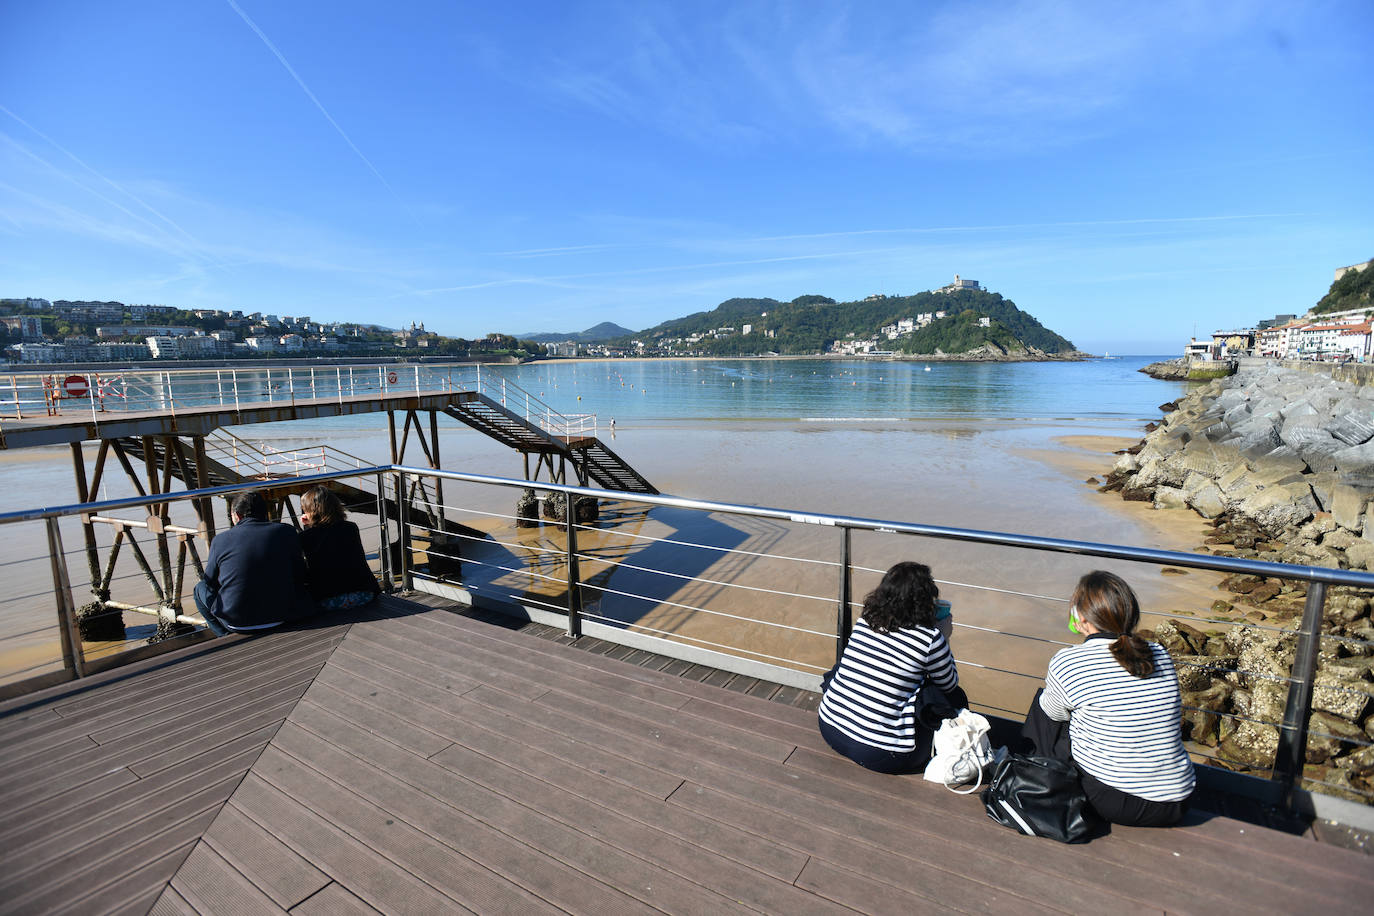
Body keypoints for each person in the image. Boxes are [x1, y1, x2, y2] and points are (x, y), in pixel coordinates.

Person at [1022, 570, 1195, 827]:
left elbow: (1053, 716)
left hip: (1118, 802)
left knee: (1045, 704)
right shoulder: (1159, 652)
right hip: (1179, 798)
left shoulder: (1069, 661)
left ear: (1080, 617)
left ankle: (1037, 776)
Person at [817, 561, 966, 774]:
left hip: (830, 728)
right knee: (948, 695)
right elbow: (949, 685)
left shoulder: (866, 621)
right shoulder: (929, 638)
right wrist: (944, 637)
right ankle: (955, 748)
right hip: (880, 753)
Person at [193, 491, 313, 635]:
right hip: (283, 615)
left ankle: (223, 635)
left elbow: (209, 582)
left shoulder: (220, 540)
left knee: (199, 588)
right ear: (265, 512)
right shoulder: (287, 531)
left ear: (237, 515)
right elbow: (300, 573)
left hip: (237, 622)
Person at [299, 485, 380, 609]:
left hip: (328, 599)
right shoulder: (351, 528)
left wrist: (309, 526)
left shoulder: (305, 537)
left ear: (310, 512)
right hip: (364, 594)